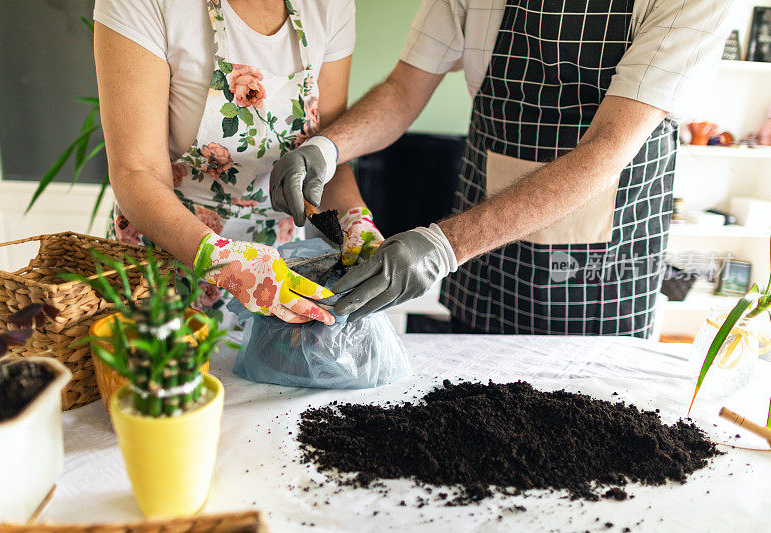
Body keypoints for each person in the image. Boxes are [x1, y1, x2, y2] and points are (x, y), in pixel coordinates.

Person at [270, 0, 734, 336]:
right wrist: (329, 147)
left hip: (602, 253)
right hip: (484, 246)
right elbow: (404, 90)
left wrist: (441, 245)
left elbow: (607, 148)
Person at [93, 0, 383, 329]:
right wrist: (222, 262)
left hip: (278, 283)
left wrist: (357, 223)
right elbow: (136, 171)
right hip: (162, 275)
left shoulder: (330, 5)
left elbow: (328, 155)